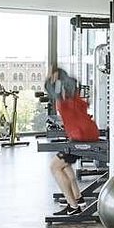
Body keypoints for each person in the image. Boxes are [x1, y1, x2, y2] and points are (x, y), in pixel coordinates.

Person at [45, 67, 100, 215]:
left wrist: (54, 79)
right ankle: (77, 197)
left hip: (81, 137)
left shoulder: (64, 94)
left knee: (55, 167)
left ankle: (73, 207)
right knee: (65, 165)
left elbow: (51, 88)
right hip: (85, 133)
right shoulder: (73, 96)